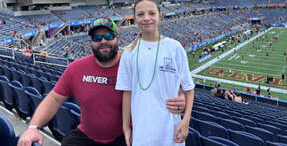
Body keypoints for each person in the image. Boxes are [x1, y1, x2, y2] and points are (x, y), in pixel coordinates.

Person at [17, 18, 185, 146]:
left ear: (118, 38)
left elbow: (169, 83)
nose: (103, 41)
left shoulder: (136, 65)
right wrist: (33, 127)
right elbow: (54, 98)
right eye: (97, 38)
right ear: (91, 42)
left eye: (108, 36)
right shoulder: (76, 68)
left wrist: (179, 96)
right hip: (87, 136)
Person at [115, 0, 194, 146]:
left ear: (160, 16)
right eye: (140, 14)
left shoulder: (175, 47)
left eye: (151, 13)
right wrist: (126, 127)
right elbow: (127, 93)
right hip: (142, 132)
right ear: (135, 18)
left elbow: (189, 88)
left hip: (171, 132)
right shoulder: (129, 53)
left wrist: (186, 120)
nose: (146, 18)